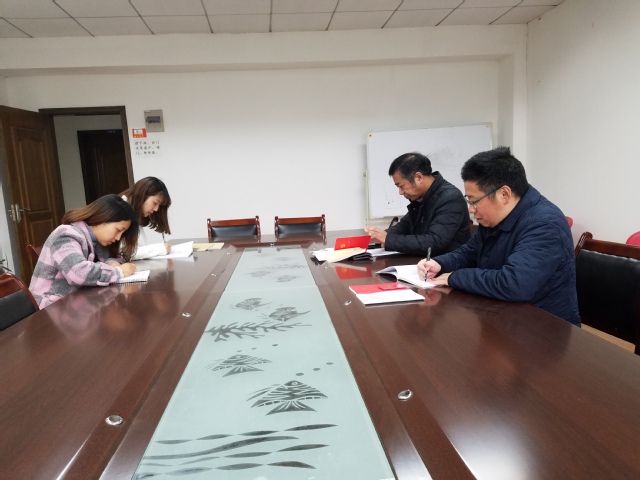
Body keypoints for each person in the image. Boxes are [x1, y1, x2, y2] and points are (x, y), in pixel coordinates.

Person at [417, 146, 580, 325]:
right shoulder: (495, 217)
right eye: (468, 200)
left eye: (474, 201)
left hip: (544, 328)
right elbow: (469, 252)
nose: (471, 209)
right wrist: (439, 263)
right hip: (502, 316)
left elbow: (515, 284)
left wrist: (453, 277)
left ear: (504, 194)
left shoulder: (545, 224)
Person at [29, 194, 138, 309]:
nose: (118, 237)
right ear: (103, 218)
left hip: (76, 304)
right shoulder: (65, 234)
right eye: (118, 230)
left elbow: (113, 258)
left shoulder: (97, 240)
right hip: (49, 309)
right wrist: (119, 272)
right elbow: (78, 273)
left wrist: (111, 262)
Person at [365, 152, 470, 256]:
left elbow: (434, 242)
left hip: (449, 263)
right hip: (427, 261)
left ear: (419, 178)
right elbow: (405, 226)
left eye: (401, 186)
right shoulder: (422, 197)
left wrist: (388, 239)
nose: (400, 192)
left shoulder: (450, 198)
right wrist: (380, 235)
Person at [120, 177, 172, 260]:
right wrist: (160, 249)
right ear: (143, 195)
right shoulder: (121, 210)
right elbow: (124, 253)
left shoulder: (134, 212)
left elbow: (137, 248)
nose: (156, 209)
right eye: (155, 203)